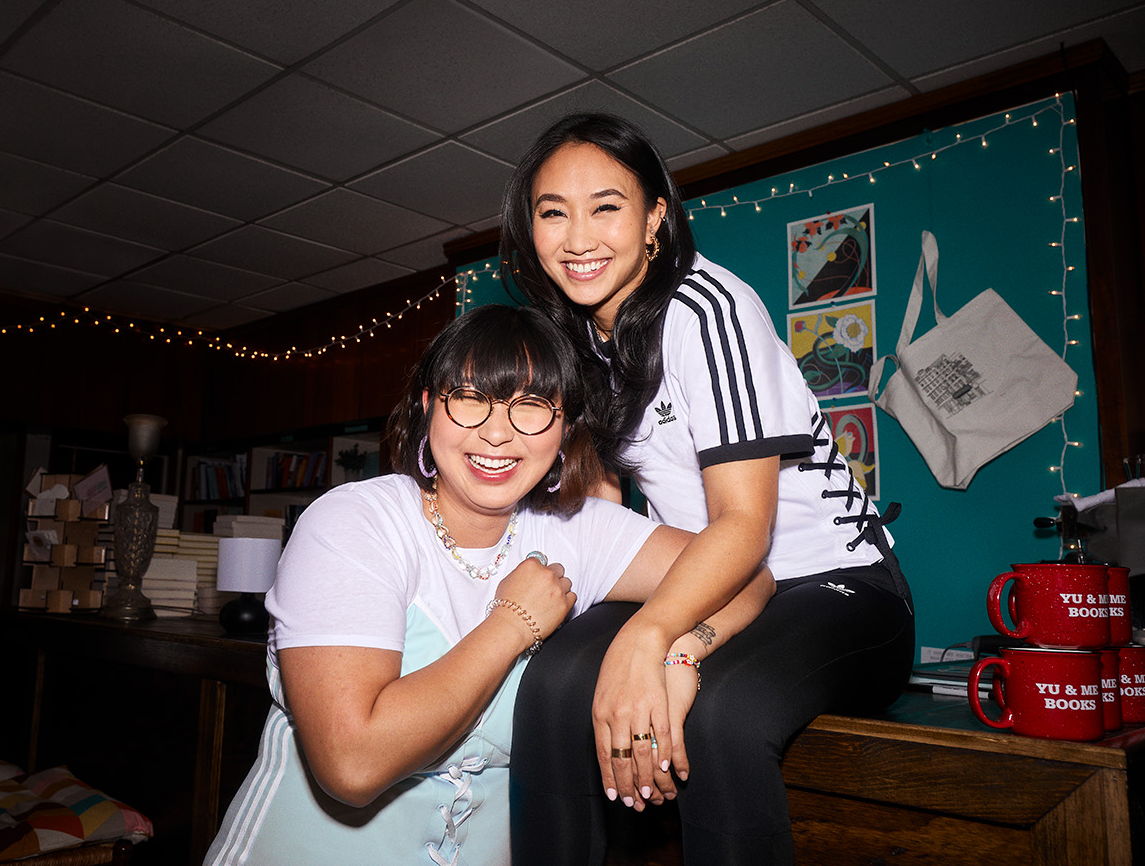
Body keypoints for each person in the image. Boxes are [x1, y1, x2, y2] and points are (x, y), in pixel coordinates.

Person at [203, 304, 775, 866]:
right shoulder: (353, 524)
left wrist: (669, 646)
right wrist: (513, 623)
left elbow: (745, 574)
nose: (497, 433)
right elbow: (352, 764)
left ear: (564, 428)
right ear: (429, 407)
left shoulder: (578, 530)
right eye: (472, 399)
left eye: (531, 407)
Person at [502, 112, 916, 865]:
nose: (578, 236)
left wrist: (653, 639)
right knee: (554, 684)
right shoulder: (578, 341)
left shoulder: (706, 308)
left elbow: (742, 526)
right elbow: (605, 517)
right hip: (708, 579)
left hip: (840, 588)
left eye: (606, 206)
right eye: (552, 212)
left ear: (655, 216)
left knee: (725, 715)